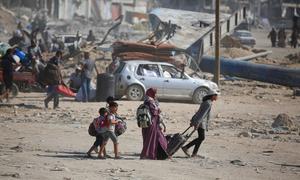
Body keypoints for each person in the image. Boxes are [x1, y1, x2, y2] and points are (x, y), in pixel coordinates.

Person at [181, 90, 219, 158]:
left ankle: (193, 153)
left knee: (201, 138)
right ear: (213, 96)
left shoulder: (207, 102)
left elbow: (198, 112)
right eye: (216, 95)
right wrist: (197, 123)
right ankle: (186, 148)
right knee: (201, 137)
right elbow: (202, 115)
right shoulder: (208, 103)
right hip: (201, 122)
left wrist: (193, 120)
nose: (217, 97)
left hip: (199, 121)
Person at [140, 88, 169, 160]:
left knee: (151, 139)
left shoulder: (146, 100)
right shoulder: (151, 101)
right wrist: (159, 110)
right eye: (155, 93)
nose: (156, 94)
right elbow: (154, 112)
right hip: (152, 123)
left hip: (147, 123)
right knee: (150, 139)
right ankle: (147, 155)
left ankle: (153, 154)